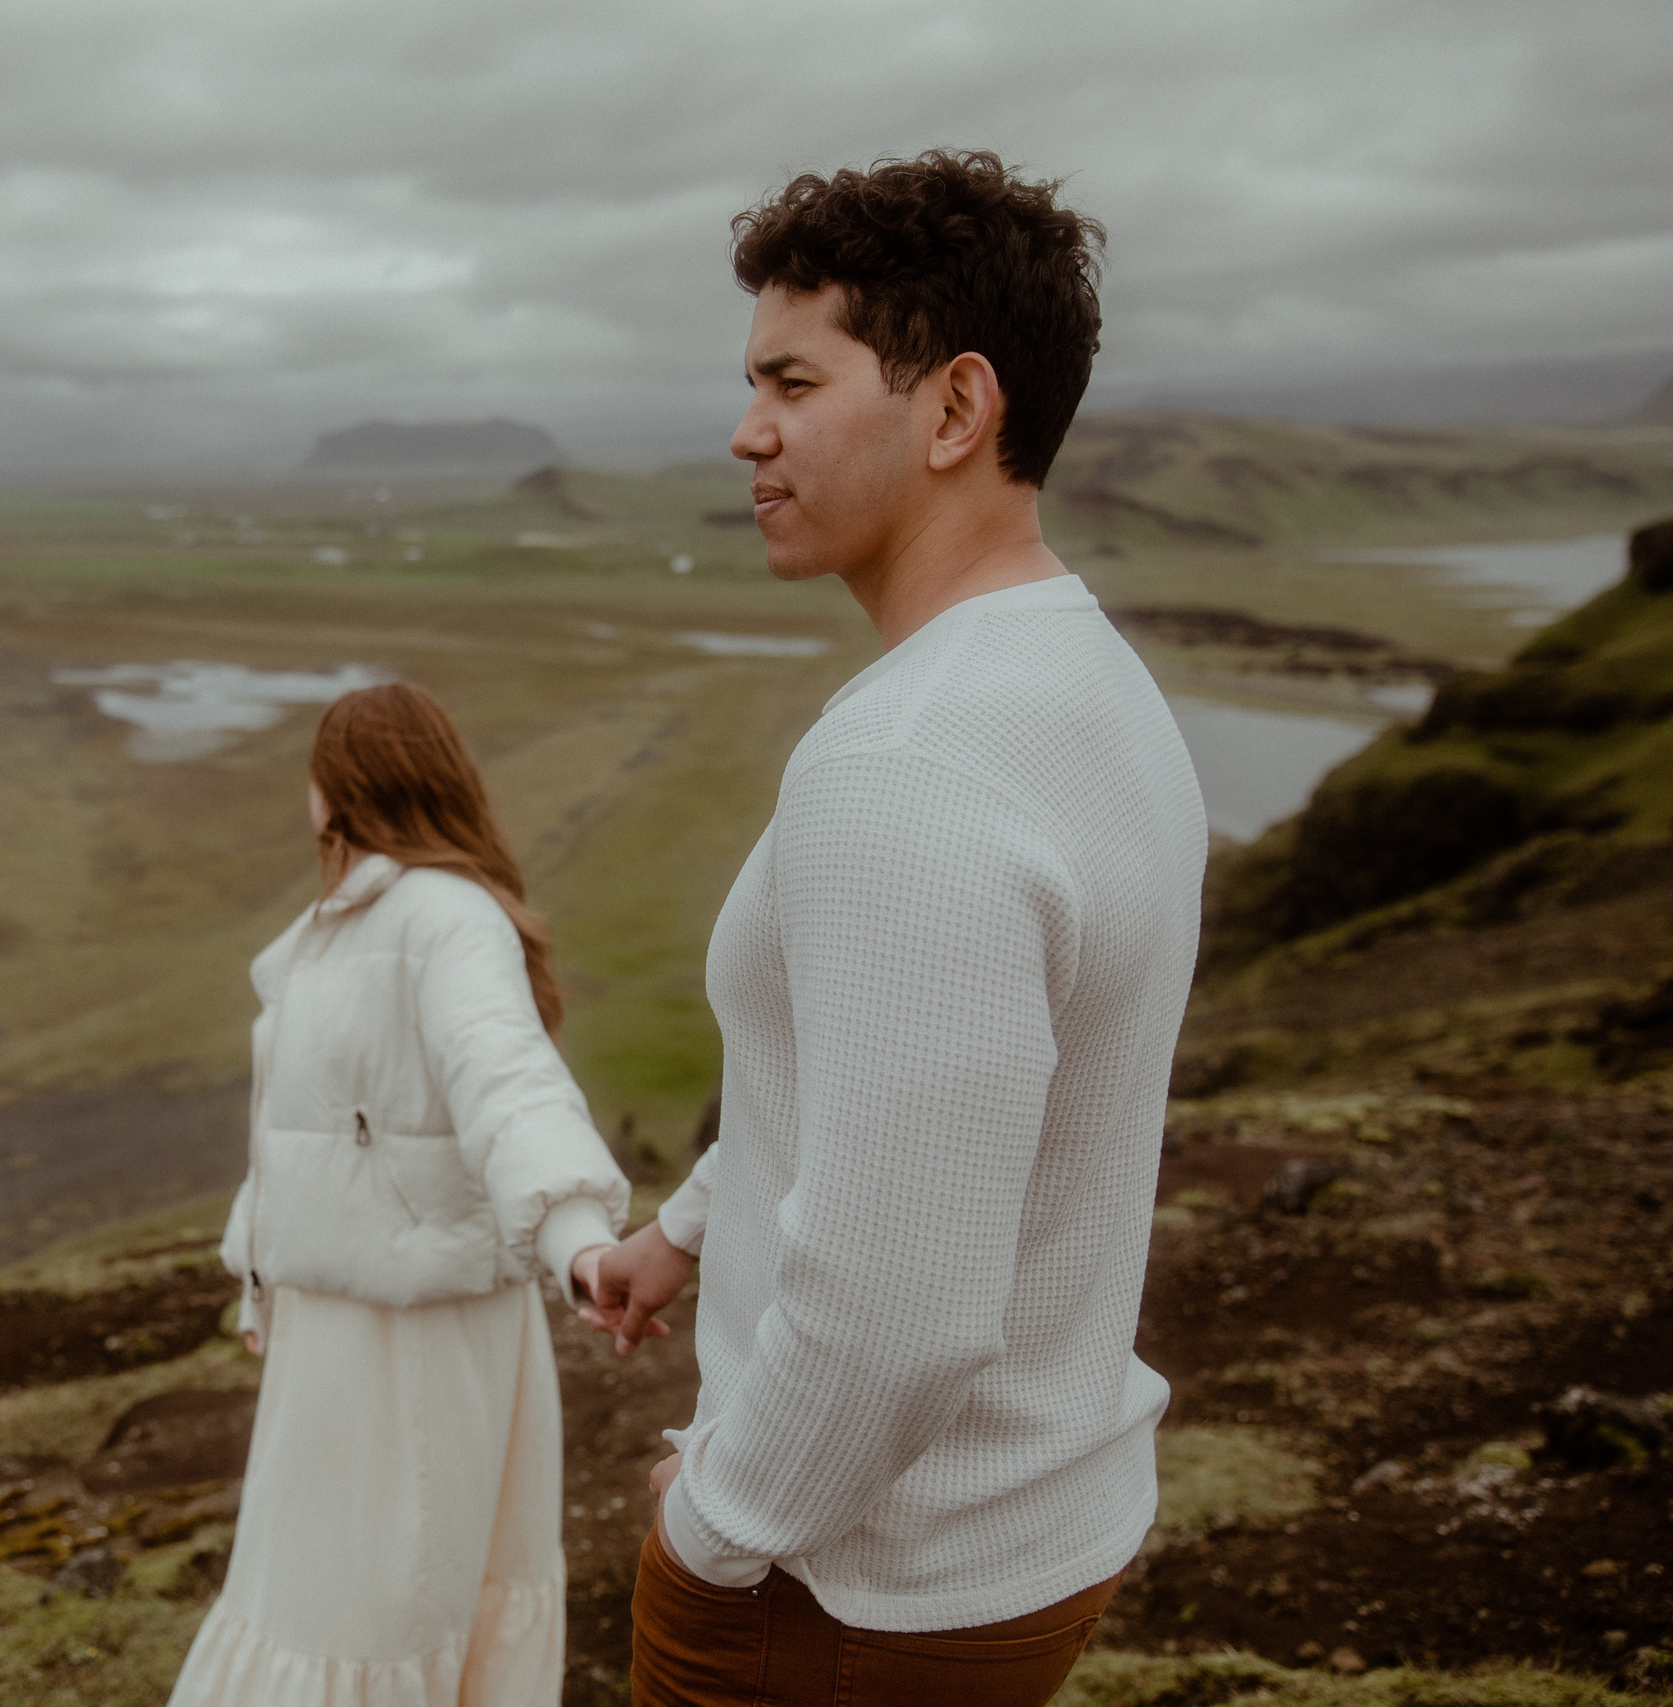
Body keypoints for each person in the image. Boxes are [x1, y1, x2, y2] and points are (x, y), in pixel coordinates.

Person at [578, 151, 1207, 1706]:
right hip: (1021, 1538)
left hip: (853, 1593)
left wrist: (722, 1524)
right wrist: (694, 1227)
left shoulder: (905, 767)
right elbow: (905, 1085)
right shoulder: (1083, 678)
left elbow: (901, 1312)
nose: (746, 431)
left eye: (793, 380)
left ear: (953, 409)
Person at [169, 681, 631, 1707]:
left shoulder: (445, 920)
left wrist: (578, 1242)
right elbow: (307, 1130)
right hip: (338, 1329)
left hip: (418, 1334)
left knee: (384, 1608)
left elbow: (506, 1082)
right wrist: (263, 1283)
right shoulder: (341, 927)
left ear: (337, 791)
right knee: (326, 1597)